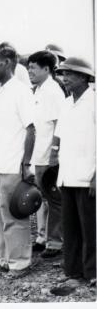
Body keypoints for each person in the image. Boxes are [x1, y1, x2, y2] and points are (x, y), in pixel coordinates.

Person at [0, 43, 36, 279]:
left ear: (7, 62)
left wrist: (26, 164)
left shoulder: (21, 90)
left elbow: (31, 129)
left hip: (12, 165)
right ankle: (5, 258)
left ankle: (20, 262)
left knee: (14, 215)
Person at [50, 57, 95, 285]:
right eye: (63, 74)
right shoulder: (67, 103)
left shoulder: (94, 101)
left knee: (91, 227)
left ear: (84, 77)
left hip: (88, 174)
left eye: (69, 74)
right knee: (70, 225)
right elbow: (59, 134)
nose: (64, 79)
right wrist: (53, 155)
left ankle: (93, 272)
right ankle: (73, 270)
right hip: (67, 174)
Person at [27, 51, 65, 258]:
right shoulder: (38, 91)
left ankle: (55, 242)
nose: (30, 71)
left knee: (54, 199)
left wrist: (54, 154)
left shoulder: (53, 91)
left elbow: (60, 124)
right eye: (29, 67)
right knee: (41, 199)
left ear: (47, 69)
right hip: (36, 155)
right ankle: (42, 238)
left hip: (47, 155)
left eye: (33, 67)